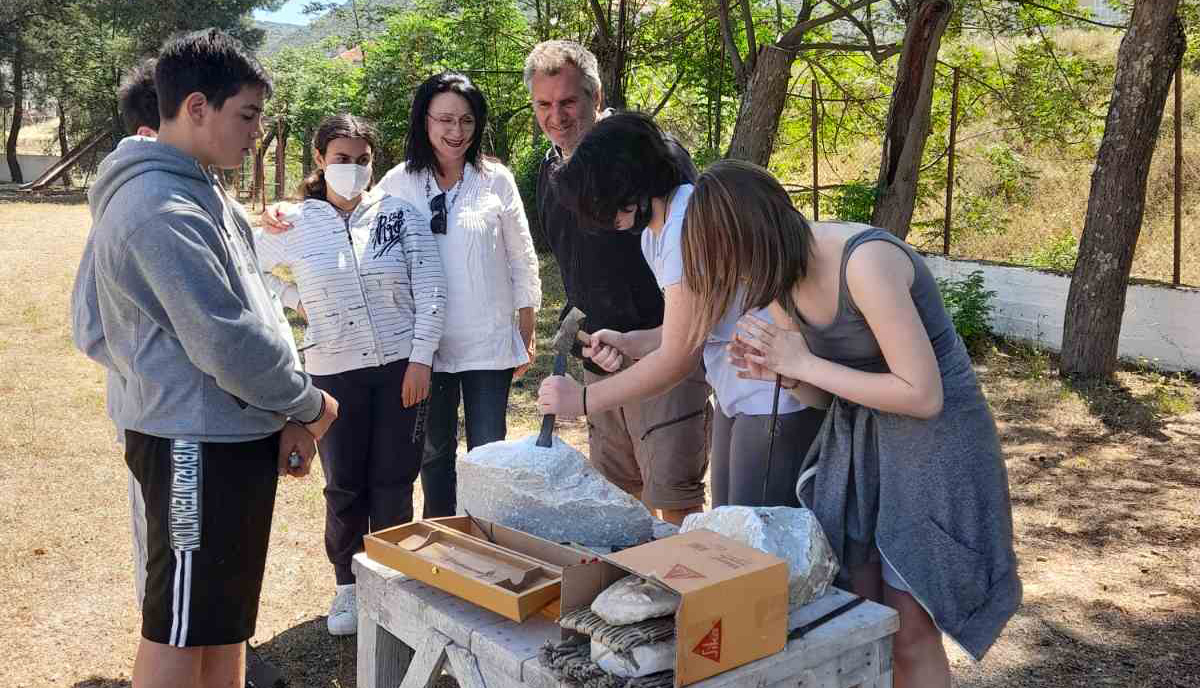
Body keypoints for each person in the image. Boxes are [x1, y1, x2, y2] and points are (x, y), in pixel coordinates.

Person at [681, 160, 1021, 686]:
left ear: (761, 238)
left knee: (909, 630)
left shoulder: (865, 261)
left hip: (935, 448)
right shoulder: (778, 279)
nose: (740, 282)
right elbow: (822, 392)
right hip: (861, 449)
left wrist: (803, 363)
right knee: (860, 616)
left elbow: (923, 394)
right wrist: (783, 373)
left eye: (738, 265)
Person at [70, 29, 338, 688]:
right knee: (179, 626)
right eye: (247, 115)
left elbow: (244, 322)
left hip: (227, 433)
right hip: (191, 447)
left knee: (222, 622)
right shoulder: (156, 206)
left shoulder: (201, 189)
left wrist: (257, 405)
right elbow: (224, 339)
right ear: (196, 107)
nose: (256, 132)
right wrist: (305, 403)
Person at [263, 71, 541, 518]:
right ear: (424, 121)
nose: (456, 132)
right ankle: (441, 541)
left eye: (467, 121)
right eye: (444, 119)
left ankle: (489, 544)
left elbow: (521, 258)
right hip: (419, 348)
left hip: (487, 342)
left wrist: (526, 328)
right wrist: (283, 212)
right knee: (433, 454)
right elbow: (349, 211)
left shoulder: (496, 180)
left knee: (490, 451)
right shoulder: (399, 181)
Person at [538, 112, 829, 511]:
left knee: (756, 539)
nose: (603, 220)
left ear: (629, 185)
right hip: (736, 392)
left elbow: (676, 359)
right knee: (731, 526)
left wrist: (583, 401)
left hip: (773, 395)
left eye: (602, 205)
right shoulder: (656, 233)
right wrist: (627, 341)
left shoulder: (684, 225)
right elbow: (688, 329)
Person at [255, 113, 446, 636]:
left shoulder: (398, 215)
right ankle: (347, 587)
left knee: (393, 481)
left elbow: (430, 288)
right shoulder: (293, 223)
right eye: (341, 159)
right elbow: (252, 269)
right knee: (345, 485)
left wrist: (421, 359)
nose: (353, 170)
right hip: (332, 374)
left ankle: (391, 581)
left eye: (363, 161)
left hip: (399, 372)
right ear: (320, 160)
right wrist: (299, 301)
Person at [524, 41, 710, 525]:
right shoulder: (549, 169)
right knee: (616, 496)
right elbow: (573, 260)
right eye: (544, 105)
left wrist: (647, 342)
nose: (557, 116)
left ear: (596, 95)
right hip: (602, 352)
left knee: (671, 496)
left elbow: (689, 269)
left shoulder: (649, 161)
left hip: (666, 352)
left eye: (568, 102)